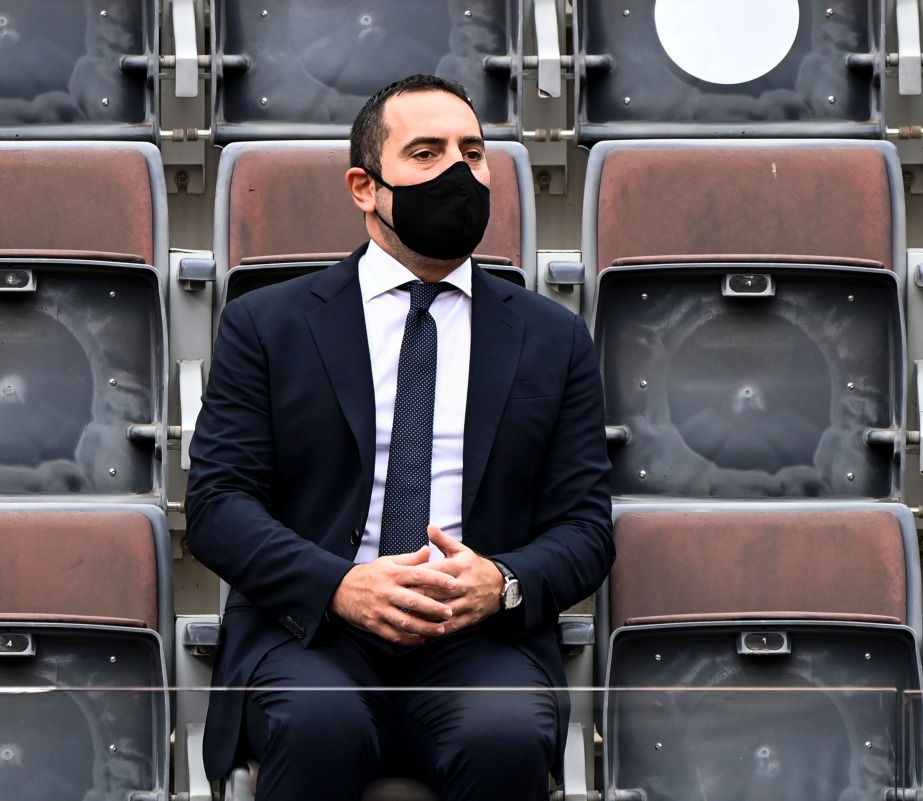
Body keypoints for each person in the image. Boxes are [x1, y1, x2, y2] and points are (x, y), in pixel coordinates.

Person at [185, 74, 614, 801]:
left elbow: (585, 530)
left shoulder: (554, 338)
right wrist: (341, 586)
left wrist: (501, 582)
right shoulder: (269, 325)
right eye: (426, 152)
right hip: (312, 637)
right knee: (317, 725)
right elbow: (218, 507)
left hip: (480, 643)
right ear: (364, 186)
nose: (460, 172)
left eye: (472, 153)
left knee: (504, 734)